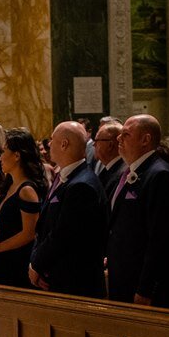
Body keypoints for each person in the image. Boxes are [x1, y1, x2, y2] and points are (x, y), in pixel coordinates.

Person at [106, 114, 169, 306]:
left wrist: (146, 288)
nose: (119, 138)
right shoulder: (130, 172)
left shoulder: (160, 175)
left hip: (148, 287)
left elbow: (161, 238)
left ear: (145, 139)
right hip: (126, 279)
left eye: (126, 134)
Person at [31, 122, 107, 296]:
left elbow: (63, 234)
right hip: (57, 276)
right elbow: (44, 227)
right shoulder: (68, 177)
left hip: (75, 282)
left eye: (52, 139)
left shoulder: (82, 185)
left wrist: (36, 264)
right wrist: (36, 263)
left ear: (64, 144)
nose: (48, 144)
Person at [0, 135, 44, 286]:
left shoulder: (27, 189)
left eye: (3, 151)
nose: (0, 157)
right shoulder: (8, 186)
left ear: (16, 156)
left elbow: (29, 234)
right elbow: (3, 228)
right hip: (3, 260)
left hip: (18, 262)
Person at [93, 119, 126, 202]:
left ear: (110, 145)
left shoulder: (122, 174)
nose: (94, 144)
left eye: (97, 140)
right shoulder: (110, 169)